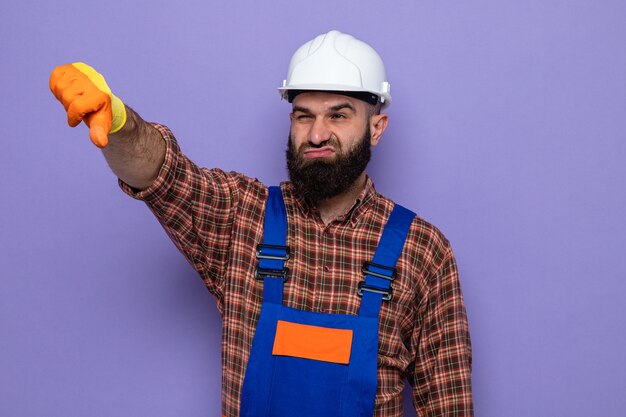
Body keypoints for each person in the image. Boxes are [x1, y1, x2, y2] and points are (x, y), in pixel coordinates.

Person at [50, 30, 473, 417]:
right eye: (303, 115)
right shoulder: (243, 217)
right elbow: (163, 174)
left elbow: (448, 404)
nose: (317, 134)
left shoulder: (422, 250)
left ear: (376, 128)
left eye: (339, 115)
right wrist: (119, 122)